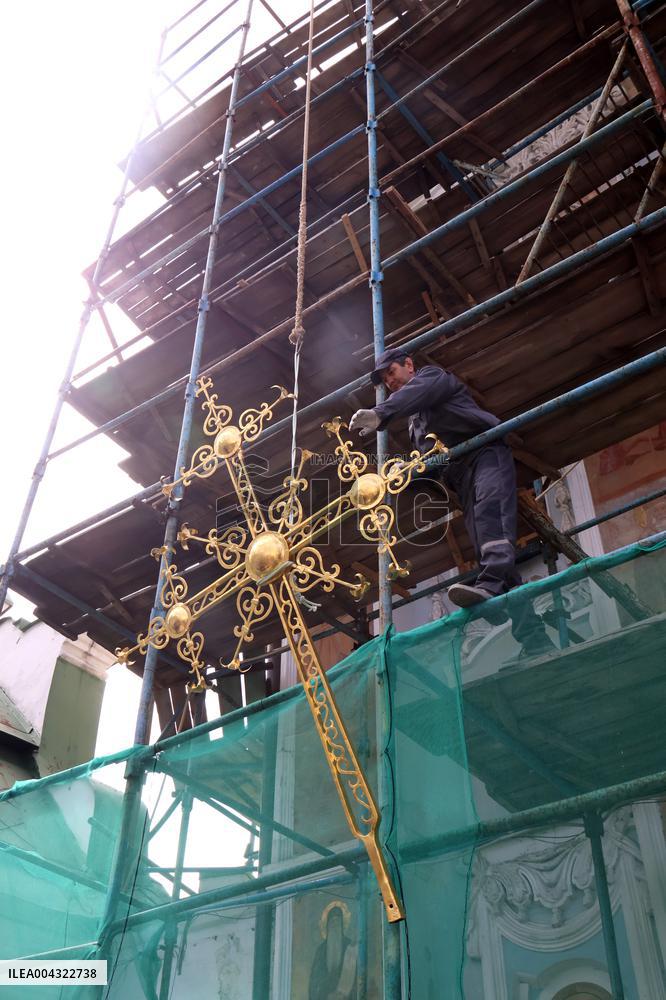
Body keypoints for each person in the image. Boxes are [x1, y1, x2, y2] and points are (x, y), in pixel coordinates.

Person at [349, 348, 556, 657]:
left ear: (409, 365)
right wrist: (399, 476)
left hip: (484, 454)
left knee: (490, 519)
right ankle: (534, 639)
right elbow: (430, 464)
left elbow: (417, 393)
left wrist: (380, 413)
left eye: (391, 371)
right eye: (384, 379)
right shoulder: (414, 423)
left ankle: (488, 589)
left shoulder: (432, 378)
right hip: (461, 475)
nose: (390, 380)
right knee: (493, 550)